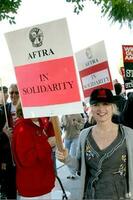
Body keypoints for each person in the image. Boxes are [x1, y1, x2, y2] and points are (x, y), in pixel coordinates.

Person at [57, 88, 133, 200]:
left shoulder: (128, 134)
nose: (101, 109)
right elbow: (80, 166)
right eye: (96, 104)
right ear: (91, 108)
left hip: (120, 195)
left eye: (105, 104)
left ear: (112, 107)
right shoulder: (84, 135)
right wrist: (66, 159)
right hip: (91, 195)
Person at [12, 101, 56, 199]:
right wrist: (47, 144)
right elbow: (26, 159)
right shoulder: (22, 127)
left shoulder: (37, 122)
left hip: (42, 183)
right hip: (33, 188)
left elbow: (42, 138)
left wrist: (51, 124)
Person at [0, 86, 16, 199]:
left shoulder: (26, 109)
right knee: (11, 188)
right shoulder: (4, 109)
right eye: (11, 93)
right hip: (8, 156)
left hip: (23, 153)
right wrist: (4, 133)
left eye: (16, 92)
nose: (13, 95)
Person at [61, 114, 84, 179]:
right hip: (67, 138)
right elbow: (62, 127)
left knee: (73, 154)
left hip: (76, 137)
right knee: (66, 155)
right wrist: (62, 125)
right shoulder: (64, 116)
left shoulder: (78, 115)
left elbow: (82, 126)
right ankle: (73, 171)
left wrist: (76, 123)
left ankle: (73, 173)